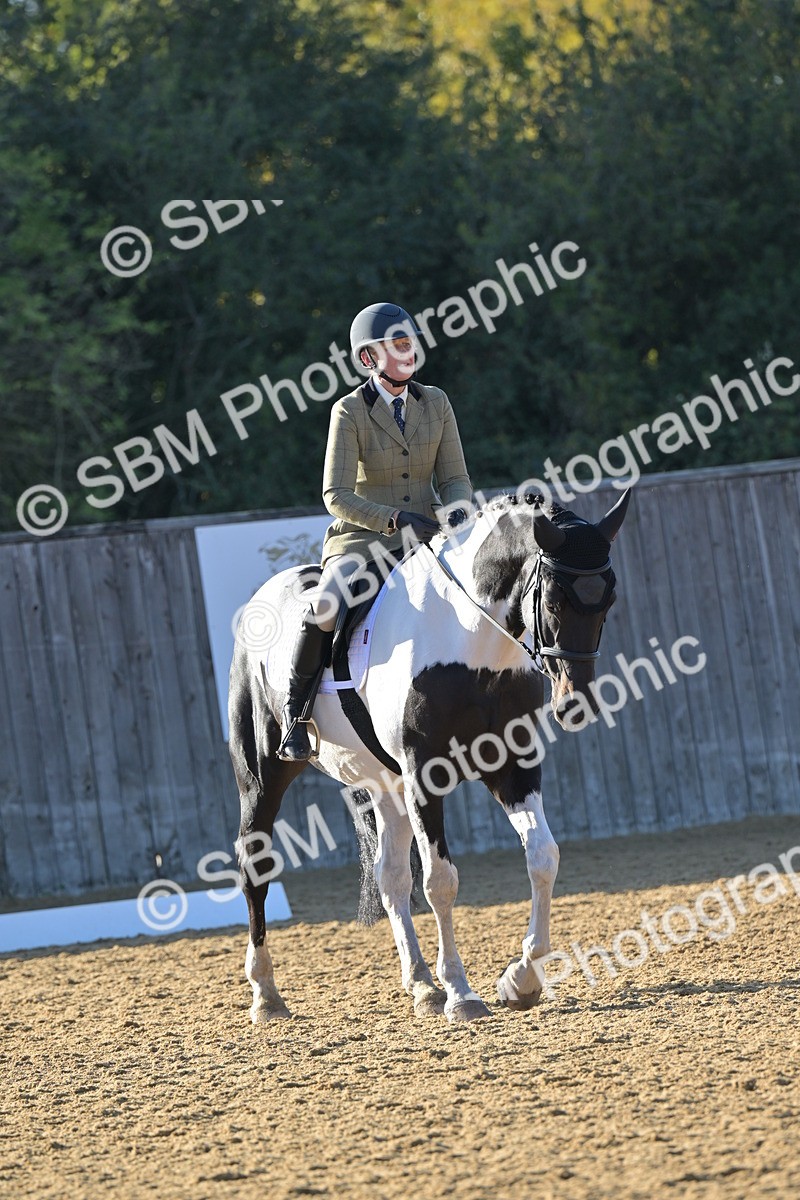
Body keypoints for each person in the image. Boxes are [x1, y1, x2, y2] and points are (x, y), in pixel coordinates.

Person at [277, 301, 474, 761]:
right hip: (364, 540)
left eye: (412, 344)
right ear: (369, 358)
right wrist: (394, 519)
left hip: (427, 533)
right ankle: (296, 714)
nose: (410, 353)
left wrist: (460, 510)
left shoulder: (436, 402)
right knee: (325, 606)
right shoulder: (349, 412)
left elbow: (454, 478)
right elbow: (335, 495)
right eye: (399, 345)